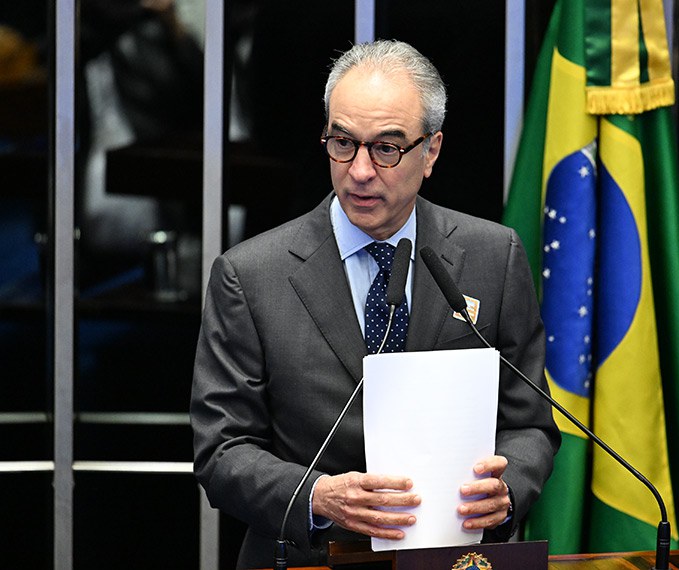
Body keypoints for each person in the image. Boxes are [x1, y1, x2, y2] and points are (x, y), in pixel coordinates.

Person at [190, 39, 560, 568]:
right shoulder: (251, 275)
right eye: (343, 143)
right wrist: (318, 497)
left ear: (430, 151)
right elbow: (221, 449)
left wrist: (506, 494)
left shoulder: (491, 256)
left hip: (452, 558)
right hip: (308, 559)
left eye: (386, 148)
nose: (360, 171)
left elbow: (531, 423)